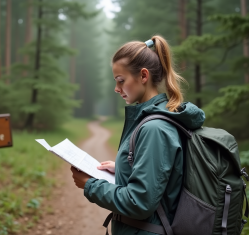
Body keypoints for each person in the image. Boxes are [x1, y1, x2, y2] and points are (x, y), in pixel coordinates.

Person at [70, 35, 205, 235]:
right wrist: (125, 170)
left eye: (121, 80)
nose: (116, 89)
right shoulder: (153, 119)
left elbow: (139, 202)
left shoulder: (155, 128)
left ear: (143, 76)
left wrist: (90, 185)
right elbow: (162, 178)